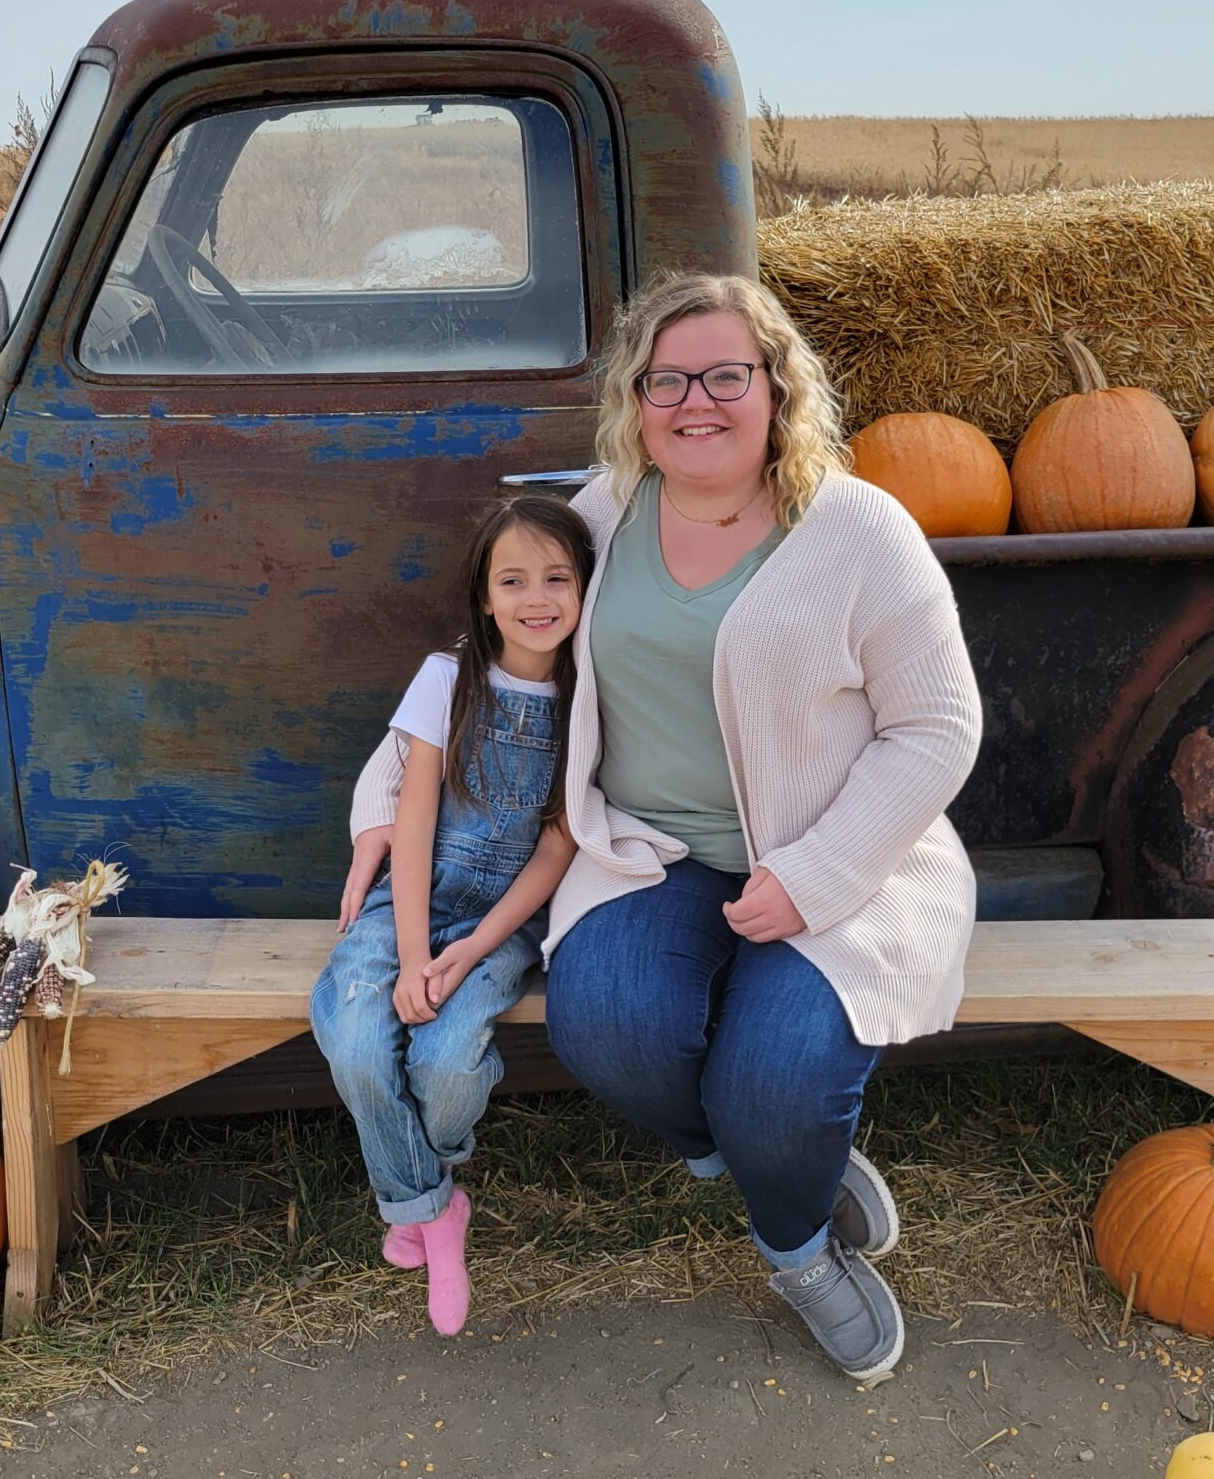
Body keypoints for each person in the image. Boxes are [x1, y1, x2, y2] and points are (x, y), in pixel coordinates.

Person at [343, 271, 980, 1382]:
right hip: (645, 848)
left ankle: (796, 1246)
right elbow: (476, 673)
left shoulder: (859, 530)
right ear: (636, 402)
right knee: (612, 1028)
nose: (698, 401)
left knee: (775, 1078)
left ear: (777, 389)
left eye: (727, 374)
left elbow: (938, 725)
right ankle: (776, 1166)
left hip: (837, 858)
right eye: (667, 380)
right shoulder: (601, 515)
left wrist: (820, 872)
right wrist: (373, 816)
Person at [313, 495, 593, 1335]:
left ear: (584, 588)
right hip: (413, 904)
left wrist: (469, 952)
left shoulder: (590, 704)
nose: (535, 597)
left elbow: (555, 850)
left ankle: (416, 1201)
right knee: (360, 1044)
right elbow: (415, 816)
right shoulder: (447, 680)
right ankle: (436, 1213)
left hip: (499, 929)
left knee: (444, 1069)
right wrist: (408, 956)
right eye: (513, 579)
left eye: (557, 577)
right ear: (484, 595)